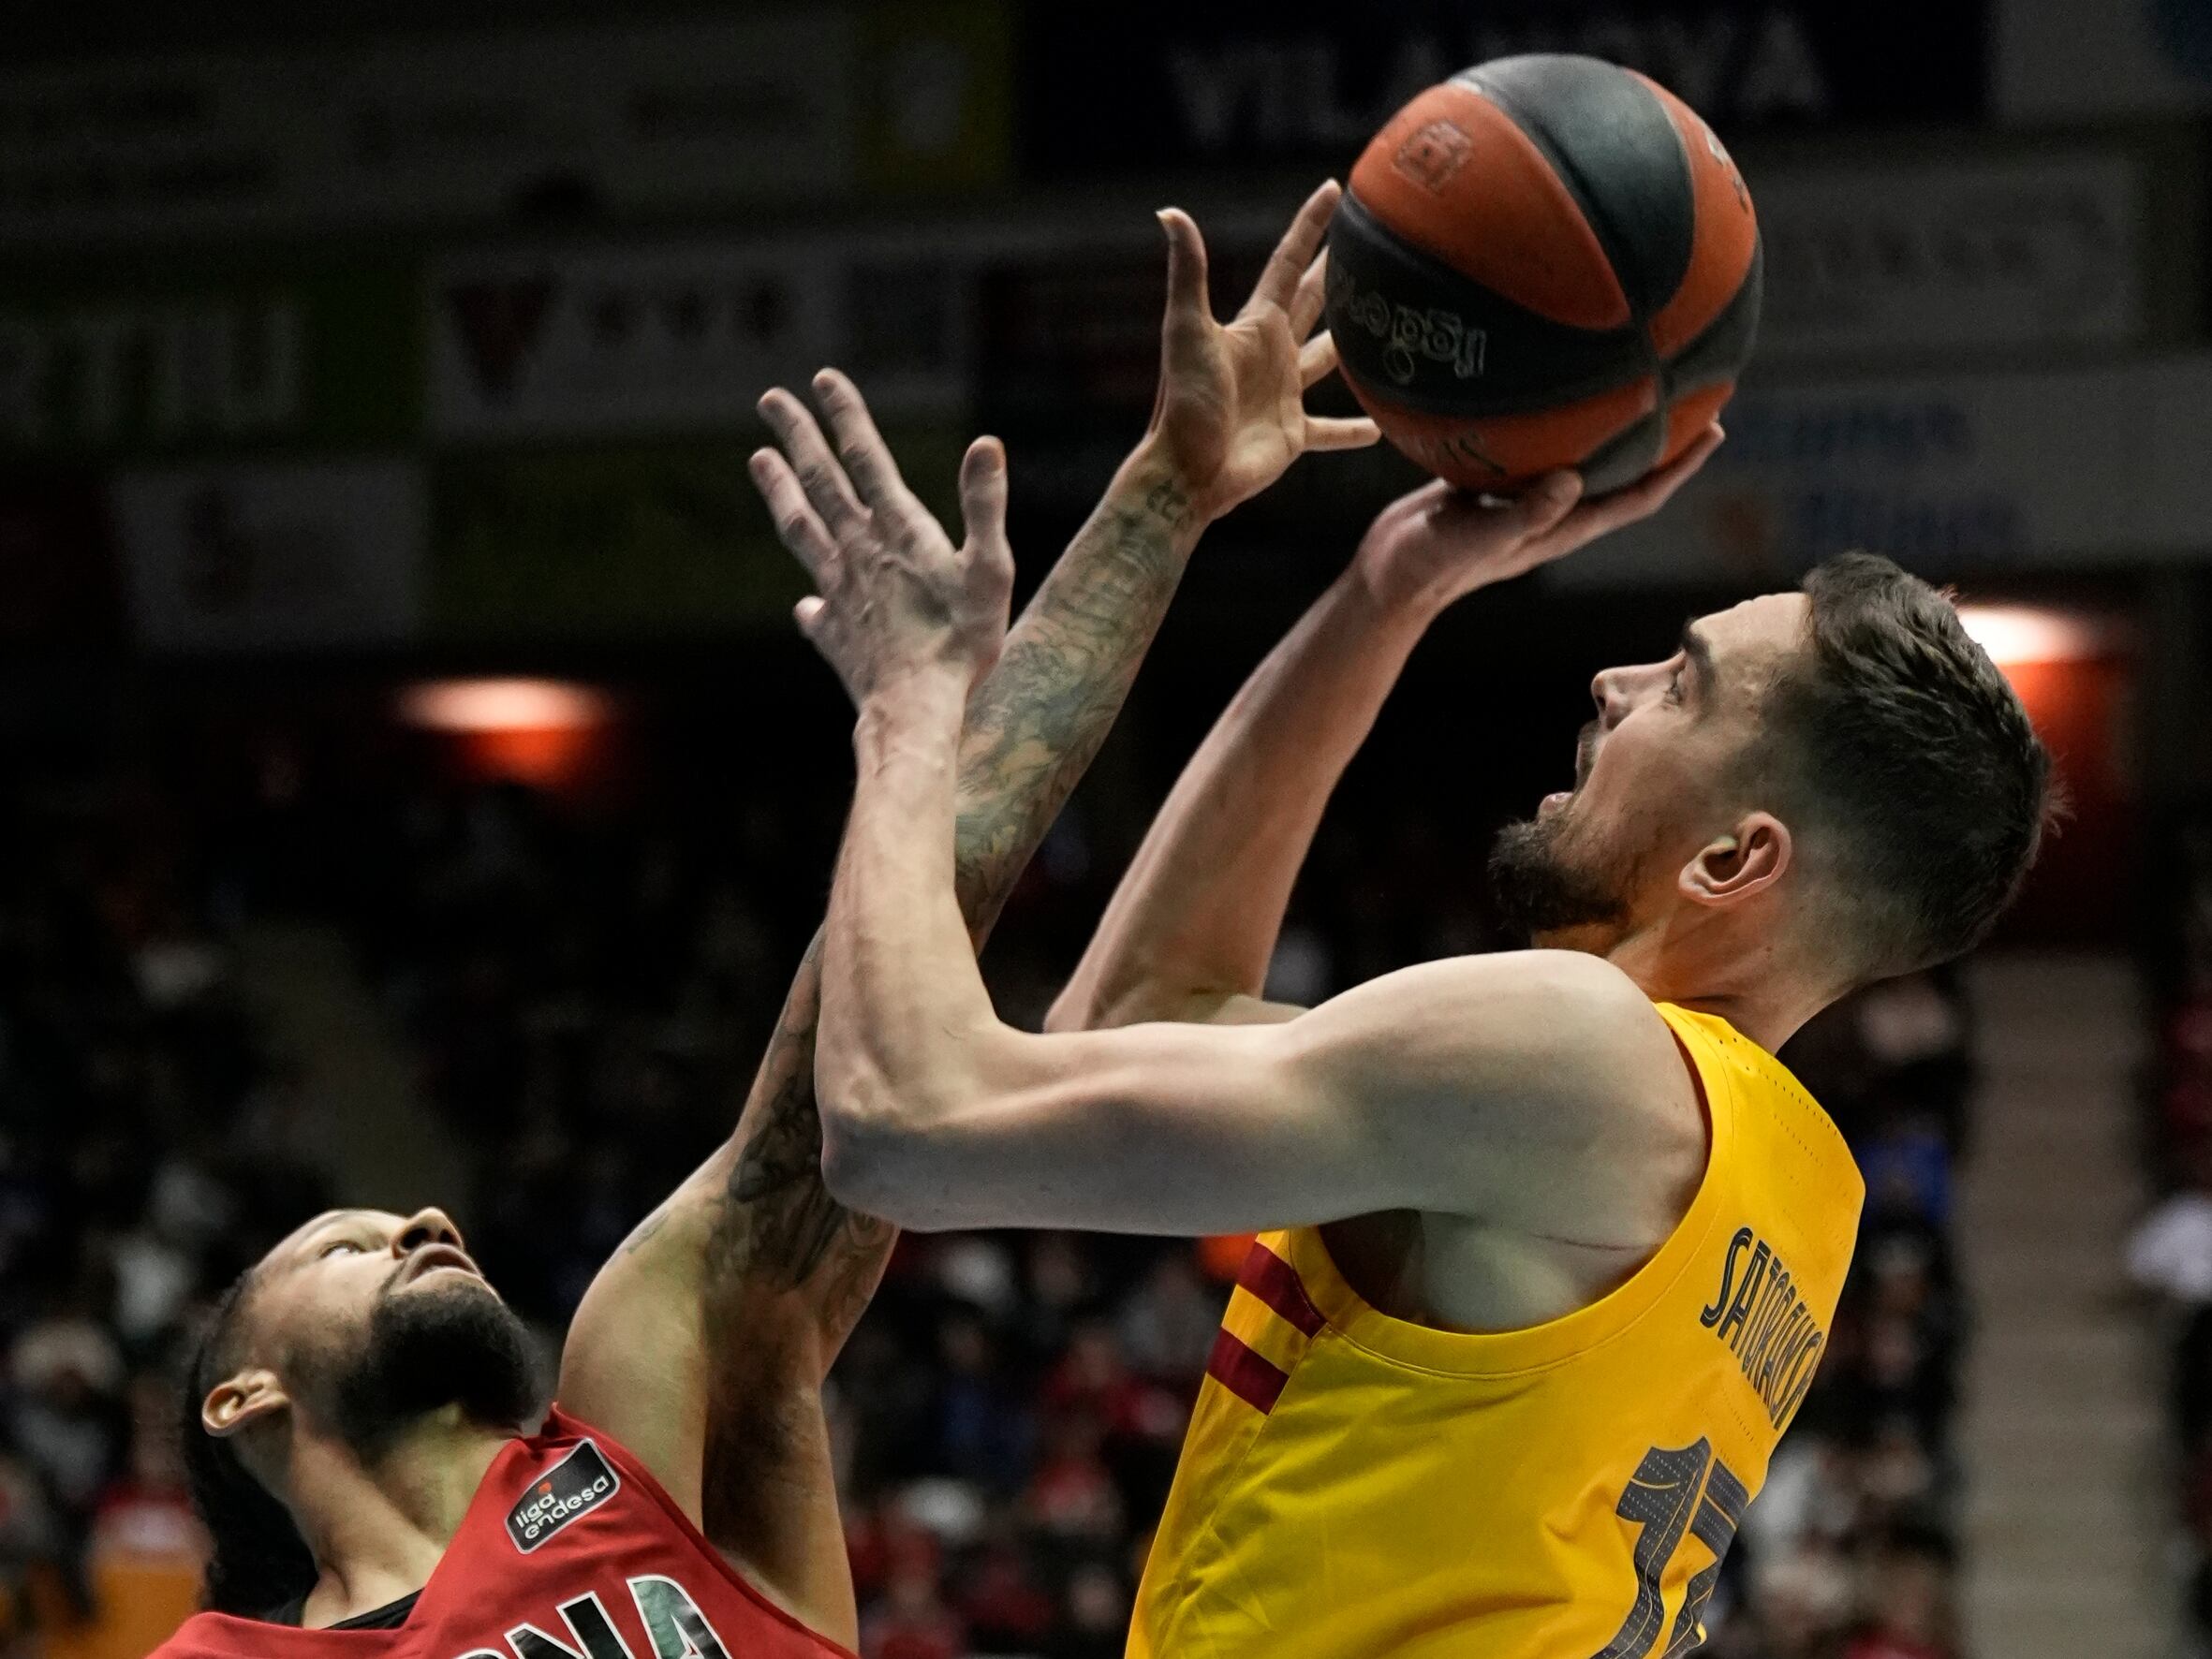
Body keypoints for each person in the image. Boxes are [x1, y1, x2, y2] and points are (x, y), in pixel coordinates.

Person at [779, 233, 2054, 1651]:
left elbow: (903, 1125)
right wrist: (1386, 591)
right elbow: (1138, 1013)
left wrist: (907, 715)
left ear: (1731, 861)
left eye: (1681, 686)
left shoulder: (1582, 1059)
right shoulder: (1783, 1190)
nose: (1612, 681)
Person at [150, 184, 1373, 1657]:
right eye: (343, 1244)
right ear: (244, 1400)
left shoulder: (645, 1447)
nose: (421, 1213)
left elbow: (877, 1012)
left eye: (388, 1216)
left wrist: (1163, 497)